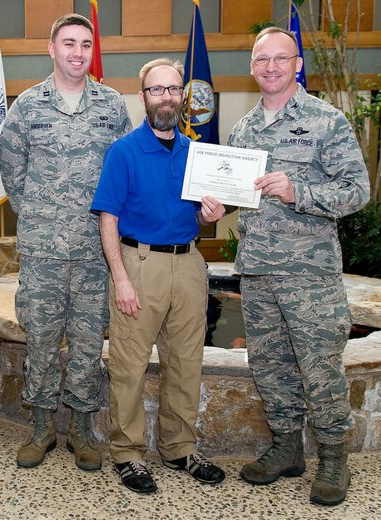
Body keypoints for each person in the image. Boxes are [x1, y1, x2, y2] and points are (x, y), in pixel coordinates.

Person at [229, 27, 370, 506]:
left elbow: (357, 191)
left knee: (319, 365)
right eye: (261, 59)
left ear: (297, 64)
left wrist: (300, 193)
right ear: (252, 67)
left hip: (310, 274)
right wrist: (213, 206)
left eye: (280, 58)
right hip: (258, 270)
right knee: (269, 364)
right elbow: (236, 194)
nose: (270, 67)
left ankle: (334, 458)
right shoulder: (242, 129)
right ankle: (286, 447)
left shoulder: (326, 121)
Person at [0, 13, 131, 471]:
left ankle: (80, 427)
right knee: (41, 339)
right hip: (43, 252)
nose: (77, 52)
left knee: (89, 341)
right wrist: (41, 213)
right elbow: (12, 173)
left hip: (96, 252)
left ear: (92, 52)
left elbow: (123, 174)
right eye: (68, 43)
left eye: (85, 44)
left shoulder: (112, 107)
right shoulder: (27, 107)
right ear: (51, 49)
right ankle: (40, 427)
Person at [91, 58, 227, 494]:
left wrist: (212, 215)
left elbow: (202, 216)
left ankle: (178, 447)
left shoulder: (198, 154)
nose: (166, 97)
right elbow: (107, 218)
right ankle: (128, 454)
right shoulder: (124, 152)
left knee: (186, 363)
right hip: (139, 265)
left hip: (188, 265)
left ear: (182, 96)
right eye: (157, 90)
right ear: (142, 97)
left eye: (173, 89)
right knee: (129, 366)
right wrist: (121, 278)